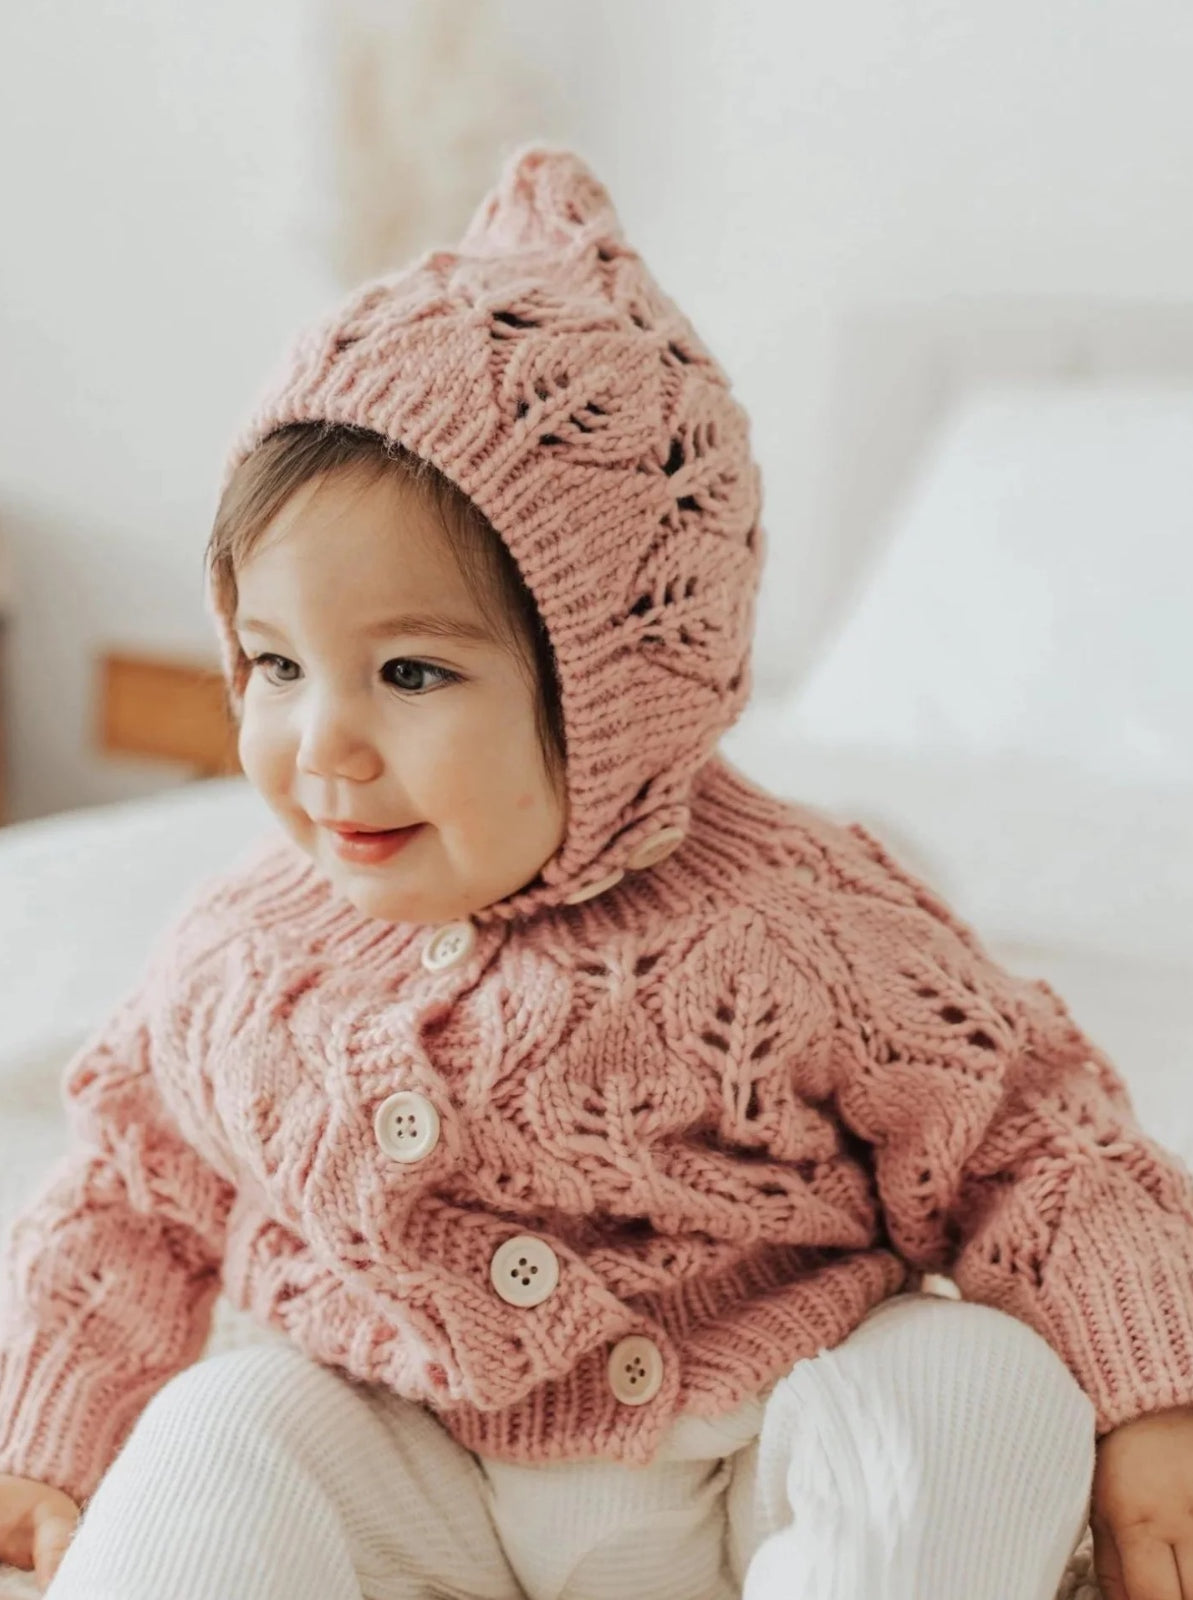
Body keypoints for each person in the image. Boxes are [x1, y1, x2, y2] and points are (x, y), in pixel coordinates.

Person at [1, 145, 1192, 1600]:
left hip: (750, 1450)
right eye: (272, 664)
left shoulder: (801, 918)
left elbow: (1034, 1137)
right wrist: (46, 1437)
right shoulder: (244, 954)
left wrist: (1152, 1398)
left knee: (978, 1389)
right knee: (219, 1425)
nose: (322, 743)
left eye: (412, 670)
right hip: (416, 1458)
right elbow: (131, 1188)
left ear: (618, 682)